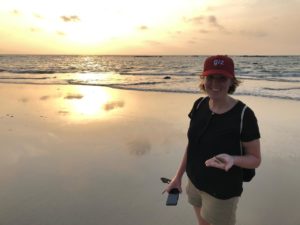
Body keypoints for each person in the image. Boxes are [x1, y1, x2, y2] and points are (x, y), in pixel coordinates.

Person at [163, 55, 261, 225]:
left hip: (222, 192)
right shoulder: (199, 105)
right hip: (194, 183)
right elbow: (192, 145)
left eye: (222, 78)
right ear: (203, 79)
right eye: (210, 77)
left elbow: (255, 159)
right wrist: (178, 177)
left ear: (232, 81)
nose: (215, 84)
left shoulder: (244, 115)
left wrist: (233, 159)